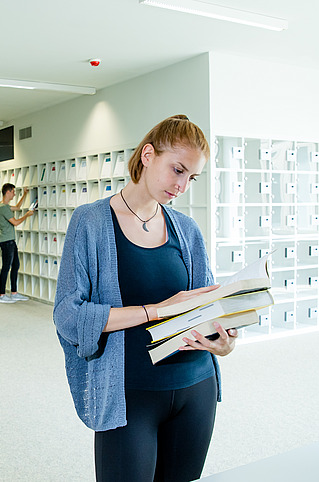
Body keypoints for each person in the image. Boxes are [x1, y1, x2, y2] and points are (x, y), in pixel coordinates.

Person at [53, 115, 239, 481]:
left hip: (196, 387)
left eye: (192, 177)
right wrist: (154, 311)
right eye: (177, 169)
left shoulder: (186, 229)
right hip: (130, 393)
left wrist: (224, 341)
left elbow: (206, 303)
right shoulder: (90, 221)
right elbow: (69, 317)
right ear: (148, 155)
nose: (182, 185)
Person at [0, 183, 35, 304]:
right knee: (6, 267)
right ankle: (2, 295)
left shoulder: (5, 206)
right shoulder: (3, 208)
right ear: (7, 192)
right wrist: (27, 215)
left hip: (10, 241)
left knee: (15, 265)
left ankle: (14, 293)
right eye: (13, 192)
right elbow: (16, 222)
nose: (14, 194)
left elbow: (17, 208)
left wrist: (25, 194)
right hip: (7, 242)